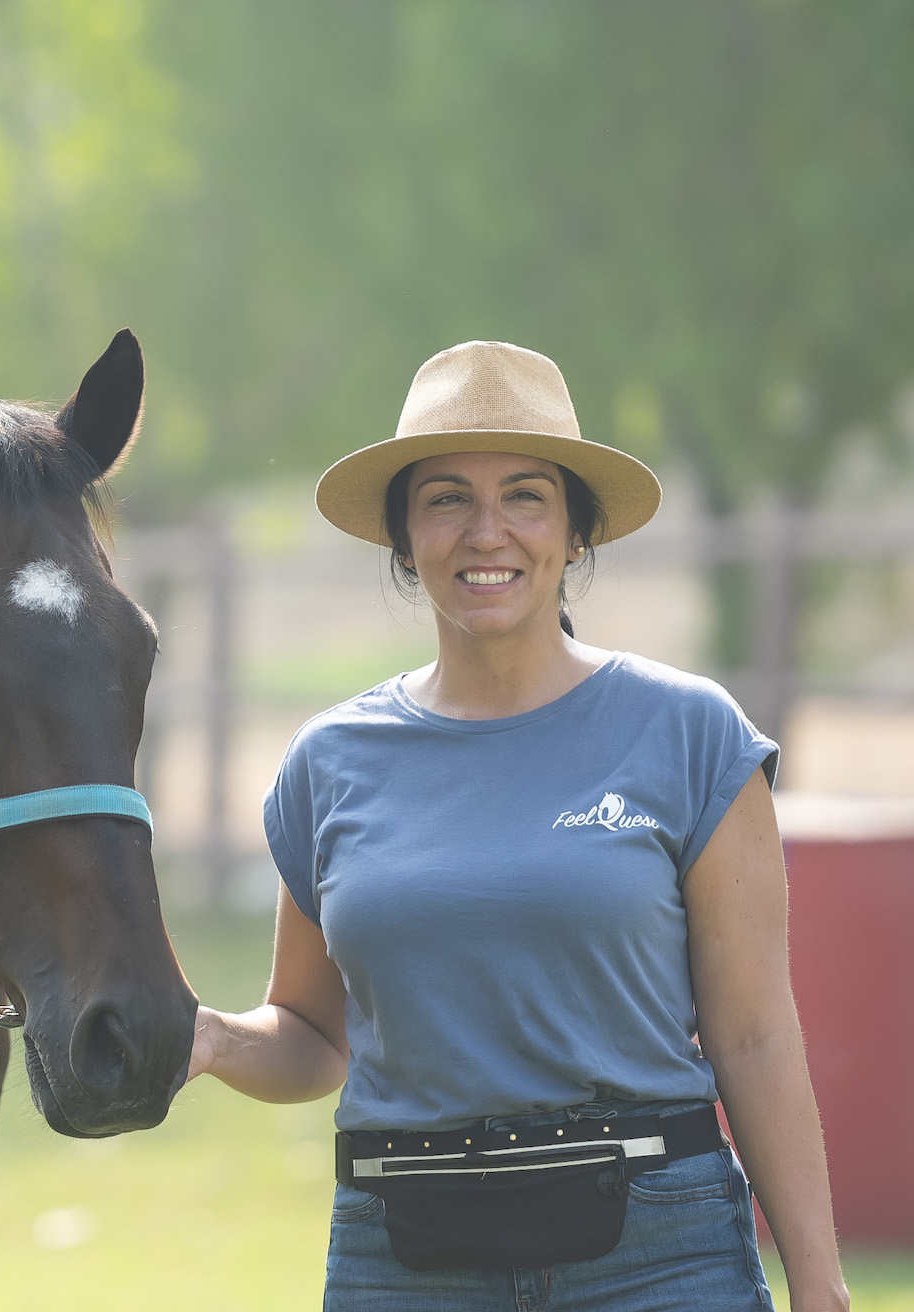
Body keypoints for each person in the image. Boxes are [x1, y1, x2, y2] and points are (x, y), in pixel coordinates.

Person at [186, 340, 848, 1311]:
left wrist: (821, 1288)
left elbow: (752, 1037)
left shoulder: (690, 734)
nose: (485, 531)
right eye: (447, 497)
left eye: (527, 496)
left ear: (575, 532)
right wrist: (209, 1039)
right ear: (404, 538)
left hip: (659, 1258)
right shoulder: (328, 764)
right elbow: (313, 1034)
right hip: (401, 1261)